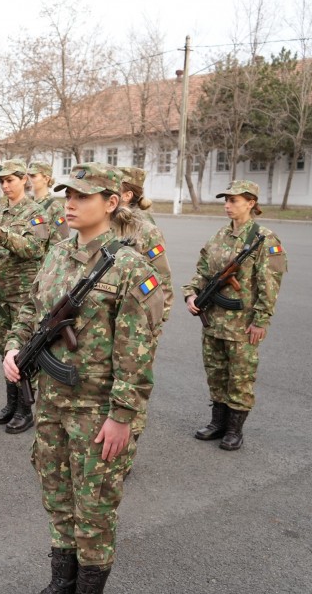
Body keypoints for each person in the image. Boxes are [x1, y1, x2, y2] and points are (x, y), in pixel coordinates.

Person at [3, 163, 165, 594]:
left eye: (82, 196)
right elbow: (30, 309)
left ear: (111, 203)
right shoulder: (57, 253)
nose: (70, 204)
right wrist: (13, 347)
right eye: (67, 195)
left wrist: (123, 416)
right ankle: (62, 582)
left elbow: (138, 353)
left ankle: (89, 587)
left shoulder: (131, 267)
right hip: (52, 402)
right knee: (57, 499)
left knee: (93, 510)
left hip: (98, 412)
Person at [183, 180, 287, 451]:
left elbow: (270, 284)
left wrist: (261, 320)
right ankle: (217, 423)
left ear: (251, 203)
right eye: (226, 200)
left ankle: (234, 430)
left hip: (242, 325)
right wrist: (191, 294)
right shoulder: (219, 236)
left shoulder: (264, 238)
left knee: (240, 376)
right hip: (214, 321)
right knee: (216, 373)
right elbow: (202, 271)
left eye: (234, 200)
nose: (228, 205)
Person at [0, 158, 48, 434]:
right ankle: (10, 404)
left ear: (24, 179)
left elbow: (35, 248)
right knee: (3, 350)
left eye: (10, 180)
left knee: (22, 350)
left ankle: (25, 408)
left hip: (23, 295)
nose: (5, 185)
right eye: (1, 181)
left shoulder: (35, 213)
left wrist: (3, 235)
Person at [113, 165, 173, 442]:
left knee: (132, 384)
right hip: (106, 321)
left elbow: (162, 283)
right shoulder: (105, 224)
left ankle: (128, 447)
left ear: (126, 195)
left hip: (137, 324)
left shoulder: (146, 230)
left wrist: (153, 326)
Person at [28, 161, 70, 249]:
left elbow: (59, 243)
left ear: (46, 179)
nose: (29, 179)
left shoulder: (55, 207)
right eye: (28, 176)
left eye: (33, 176)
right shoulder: (26, 204)